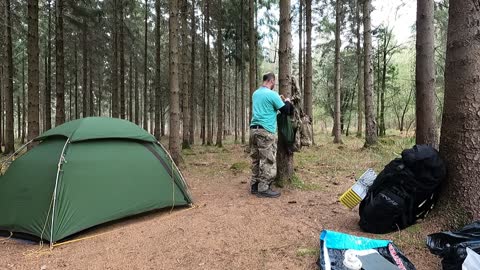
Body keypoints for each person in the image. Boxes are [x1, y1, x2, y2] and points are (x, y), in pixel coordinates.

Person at [249, 72, 293, 198]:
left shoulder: (256, 93)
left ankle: (254, 185)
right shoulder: (272, 94)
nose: (275, 85)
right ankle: (263, 188)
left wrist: (276, 99)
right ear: (272, 81)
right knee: (267, 160)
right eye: (274, 82)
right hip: (266, 131)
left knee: (256, 159)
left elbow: (267, 105)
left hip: (253, 130)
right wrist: (287, 101)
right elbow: (286, 110)